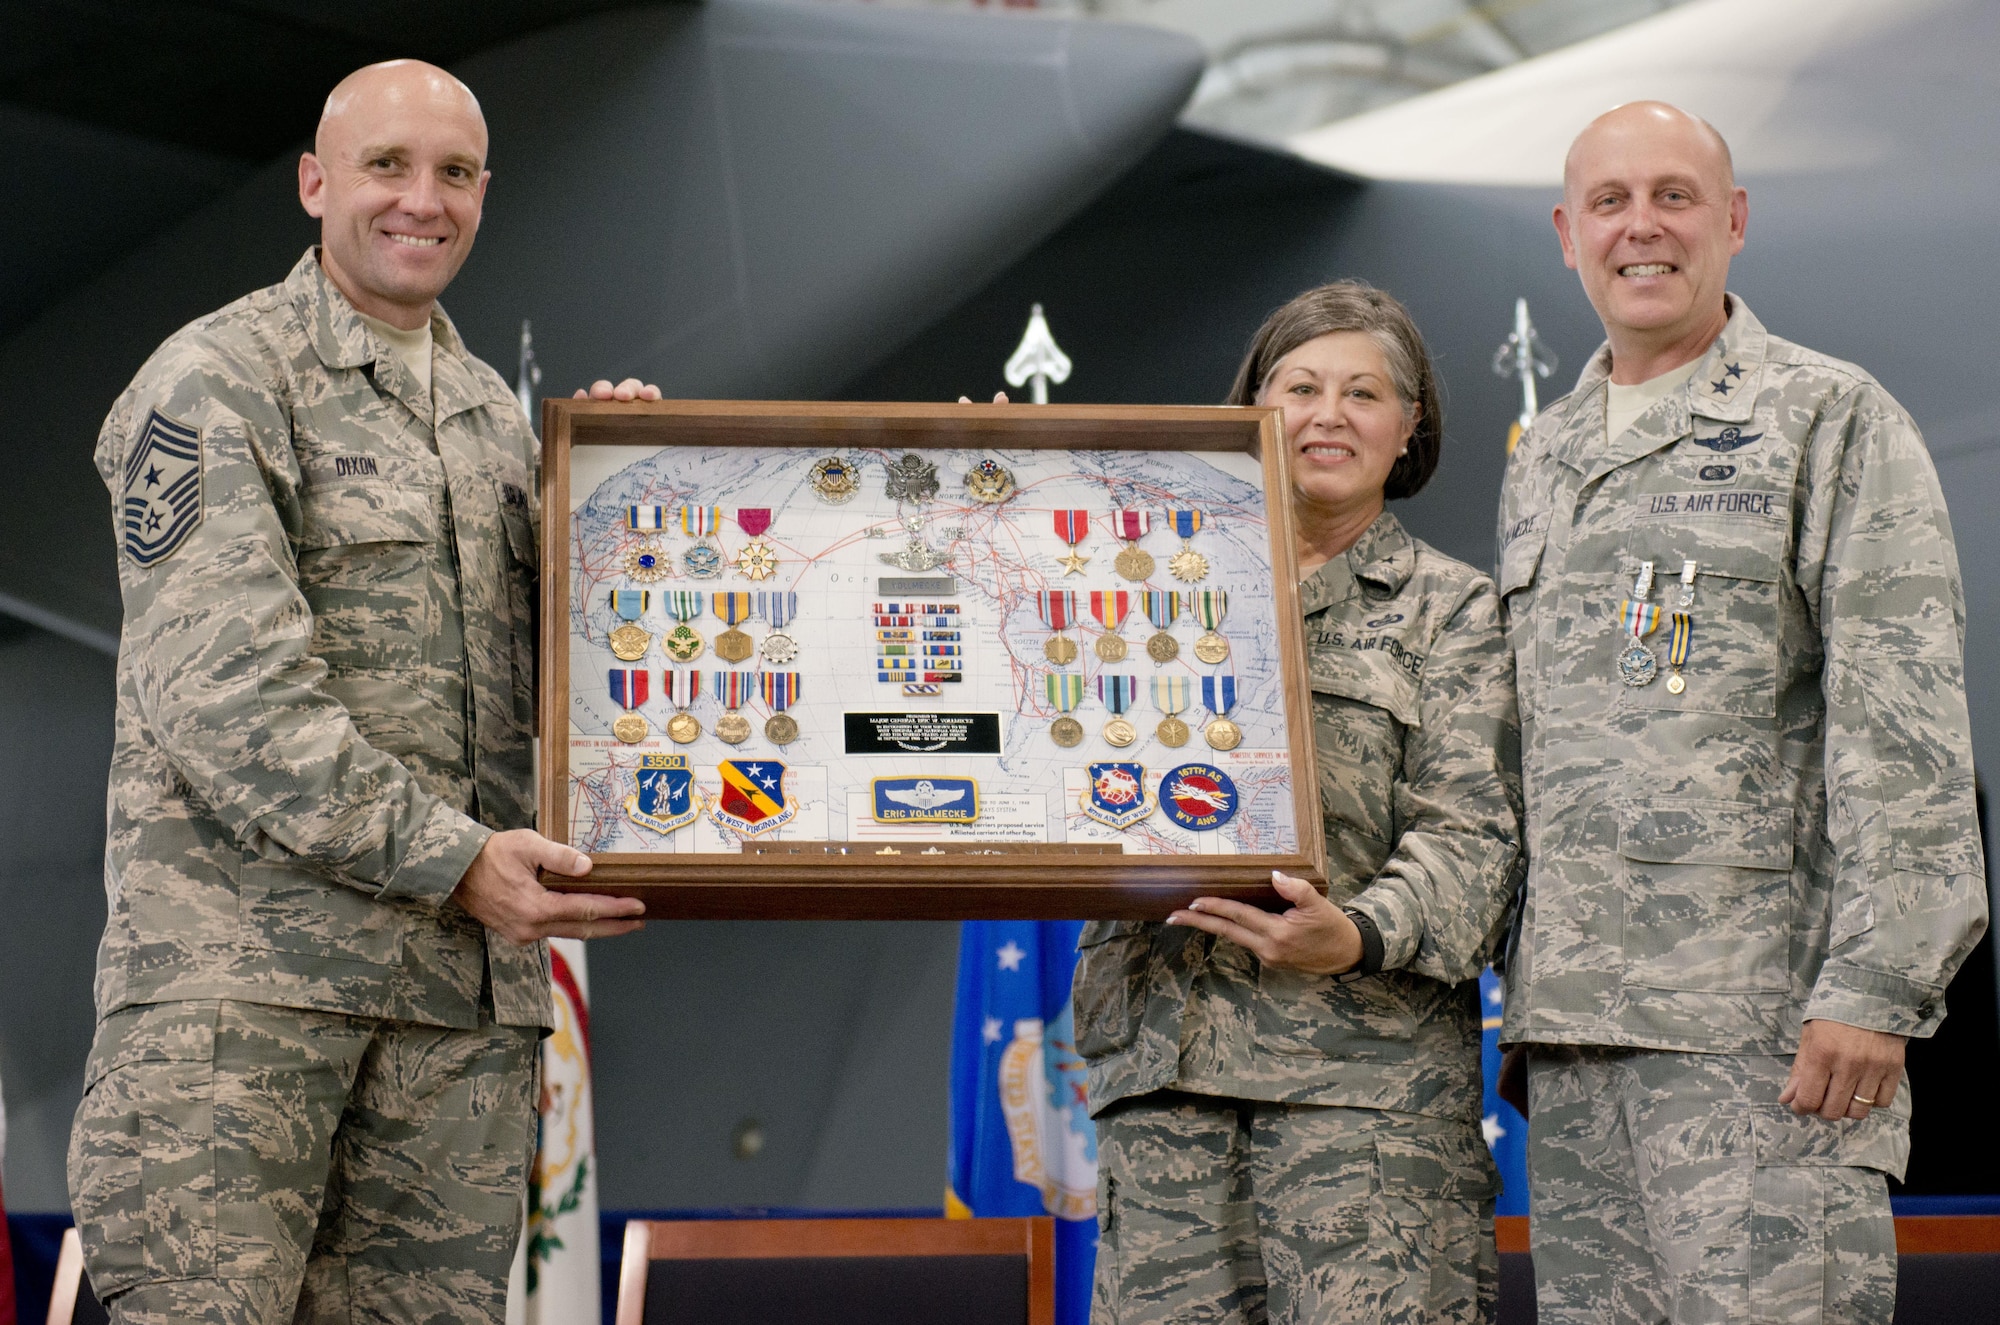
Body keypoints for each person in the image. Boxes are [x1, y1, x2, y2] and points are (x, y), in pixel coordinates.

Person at [69, 60, 656, 1324]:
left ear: (484, 196)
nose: (420, 200)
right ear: (314, 182)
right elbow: (229, 702)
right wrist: (456, 861)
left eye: (452, 173)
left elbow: (548, 692)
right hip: (246, 1006)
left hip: (451, 1018)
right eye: (388, 164)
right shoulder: (221, 378)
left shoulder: (501, 425)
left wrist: (624, 513)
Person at [1495, 101, 1987, 1324]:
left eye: (1674, 196)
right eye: (1608, 202)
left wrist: (1876, 985)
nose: (1640, 227)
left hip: (1763, 1040)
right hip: (1574, 1041)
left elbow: (1906, 720)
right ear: (1567, 234)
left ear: (1734, 221)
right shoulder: (1541, 457)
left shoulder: (1826, 416)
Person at [1074, 282, 1524, 1324]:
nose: (1329, 414)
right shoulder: (1135, 587)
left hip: (1365, 1103)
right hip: (1164, 1085)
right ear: (1254, 407)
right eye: (1301, 386)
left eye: (1363, 392)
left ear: (1406, 428)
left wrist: (1356, 933)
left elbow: (1475, 838)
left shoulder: (1454, 610)